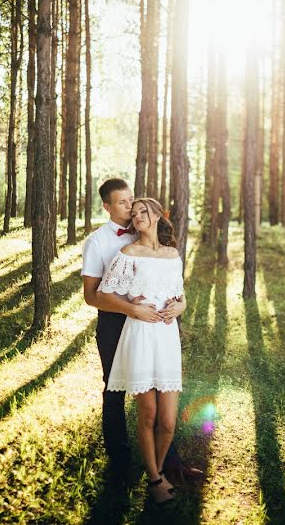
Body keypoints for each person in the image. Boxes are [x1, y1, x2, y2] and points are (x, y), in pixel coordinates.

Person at [81, 180, 201, 488]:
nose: (130, 209)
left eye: (132, 202)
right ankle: (121, 464)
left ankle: (167, 465)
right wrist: (131, 309)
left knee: (162, 399)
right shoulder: (99, 243)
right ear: (107, 206)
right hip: (115, 324)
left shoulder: (148, 235)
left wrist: (180, 304)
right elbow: (93, 296)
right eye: (123, 203)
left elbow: (173, 287)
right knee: (115, 391)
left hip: (156, 328)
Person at [98, 197, 185, 504]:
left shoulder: (173, 254)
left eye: (142, 212)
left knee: (168, 421)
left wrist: (179, 306)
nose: (136, 217)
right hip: (140, 335)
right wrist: (132, 309)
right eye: (133, 214)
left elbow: (181, 296)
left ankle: (157, 471)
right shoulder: (128, 253)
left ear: (159, 215)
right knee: (147, 414)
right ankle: (154, 479)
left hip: (166, 337)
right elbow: (104, 293)